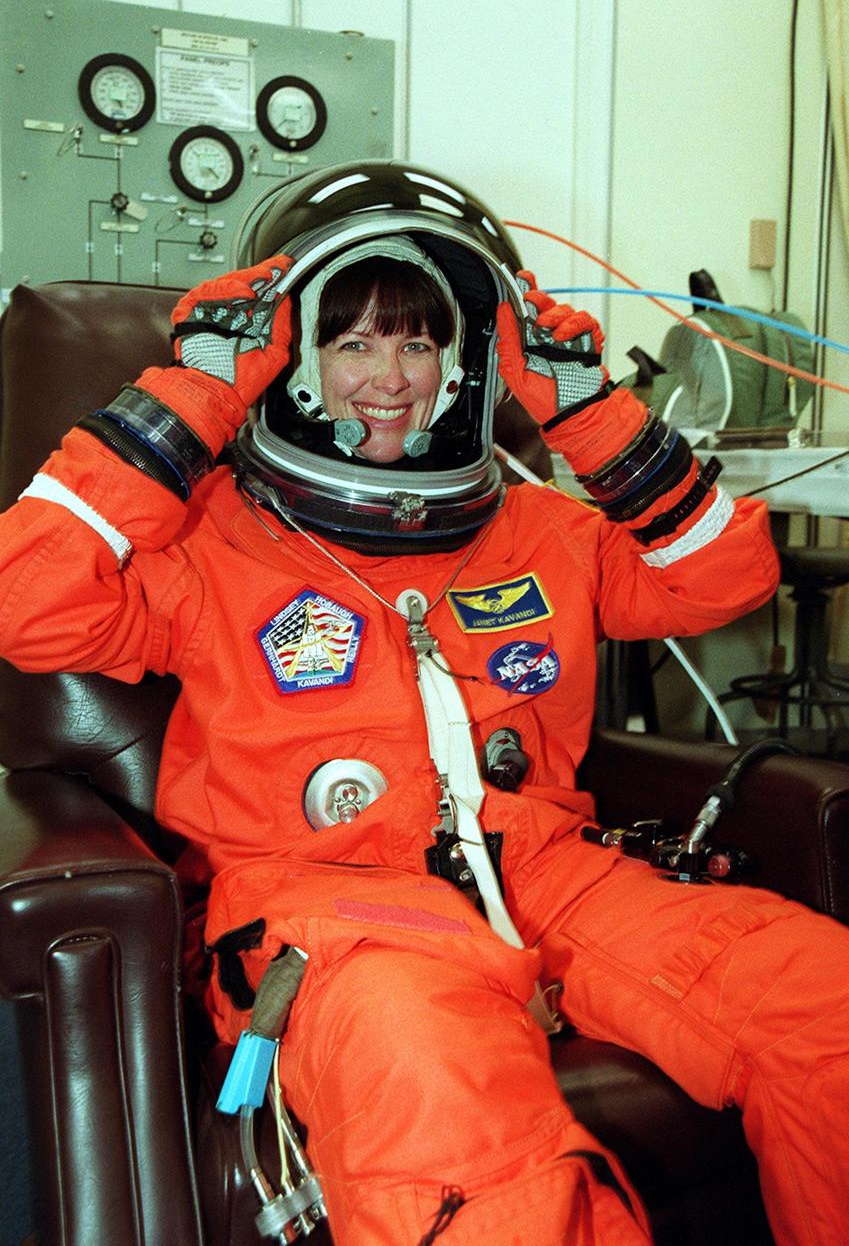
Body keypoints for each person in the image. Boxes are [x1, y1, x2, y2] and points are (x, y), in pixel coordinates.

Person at [0, 160, 846, 1246]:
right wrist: (192, 394)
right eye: (351, 342)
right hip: (334, 908)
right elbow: (27, 603)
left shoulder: (539, 529)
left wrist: (588, 412)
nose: (389, 379)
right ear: (288, 358)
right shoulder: (211, 534)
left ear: (466, 361)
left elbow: (724, 577)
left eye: (418, 341)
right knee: (455, 1115)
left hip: (551, 877)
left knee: (825, 1008)